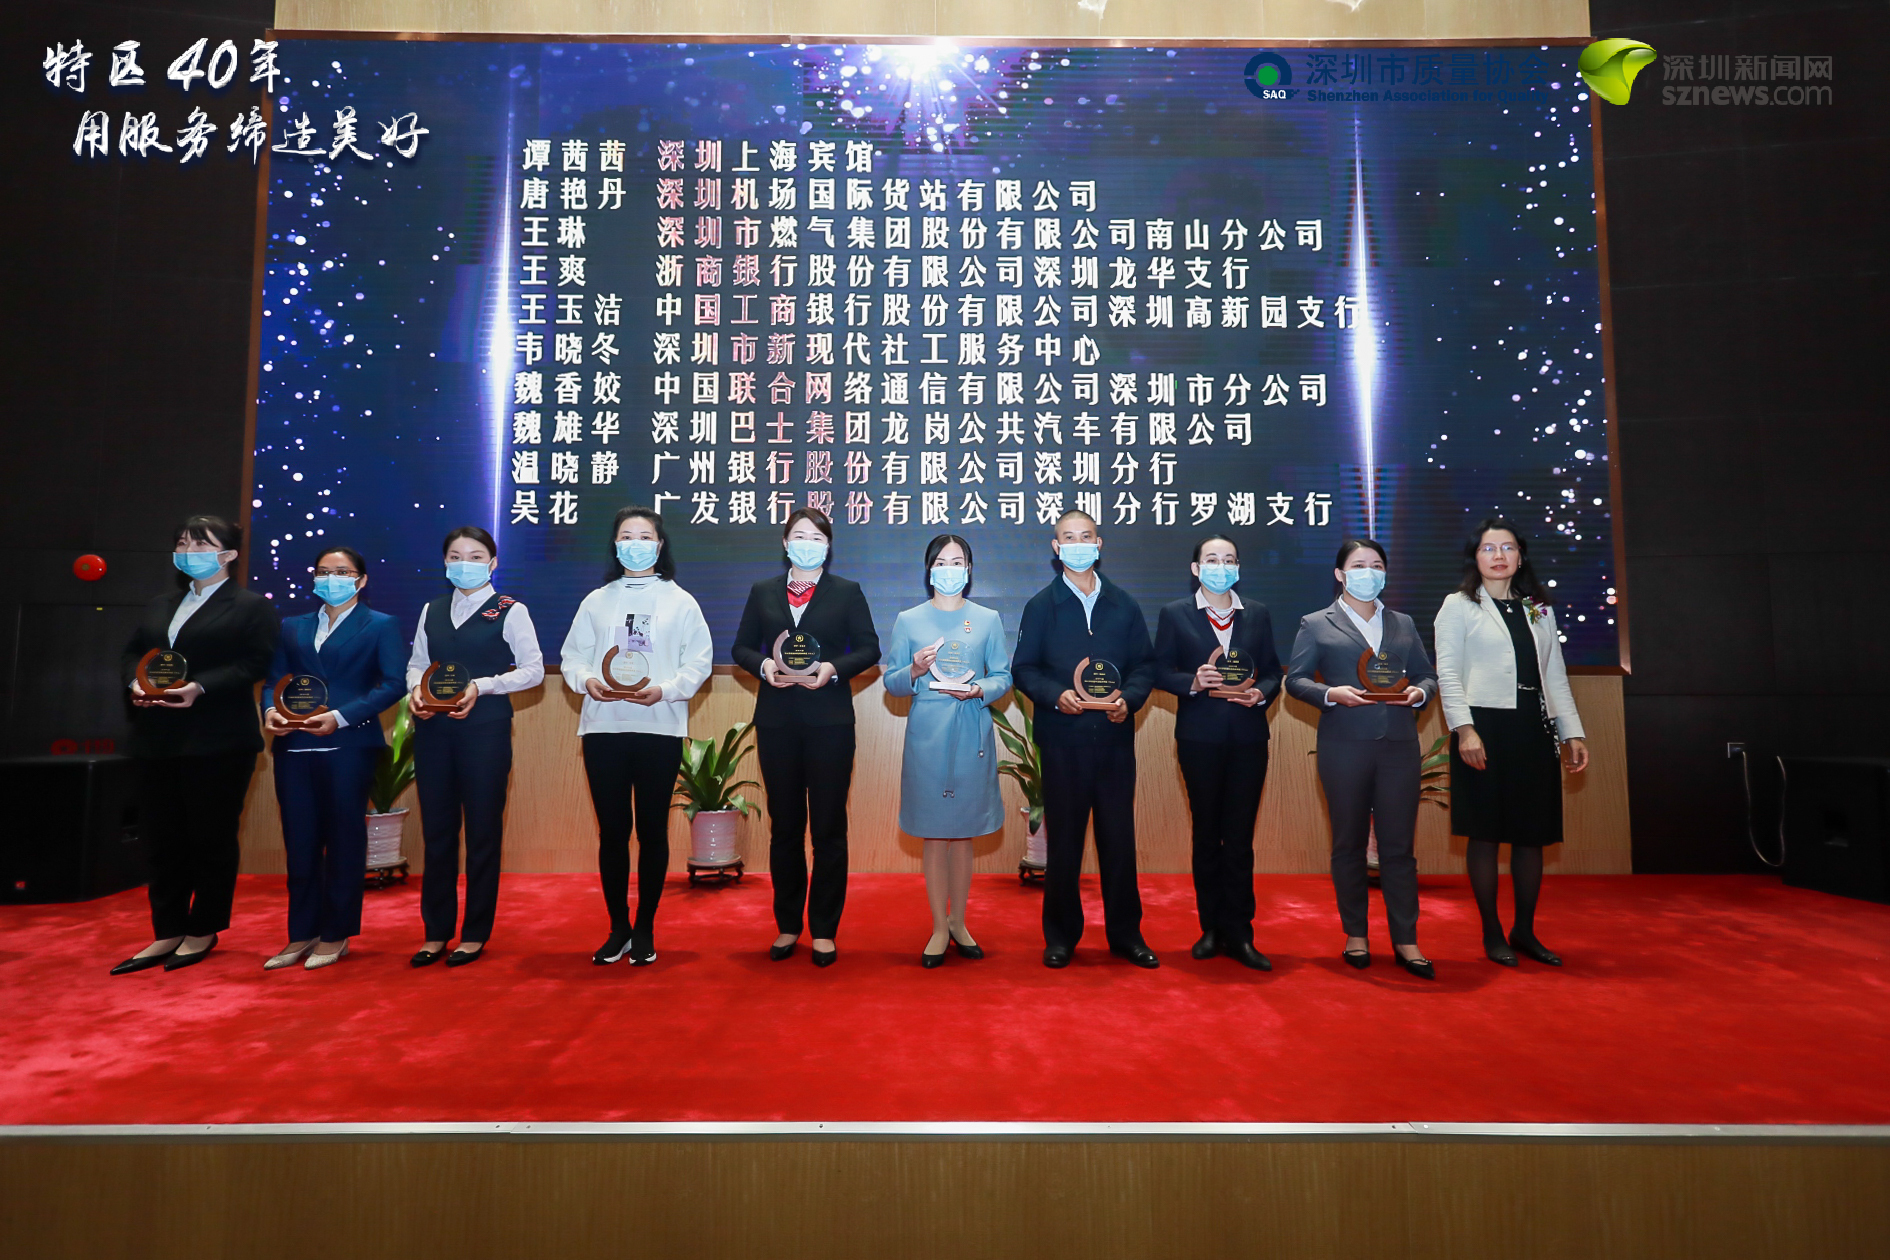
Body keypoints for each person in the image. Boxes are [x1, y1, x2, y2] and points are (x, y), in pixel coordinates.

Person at [111, 515, 279, 975]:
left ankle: (203, 928)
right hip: (156, 738)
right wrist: (134, 682)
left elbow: (257, 662)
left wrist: (200, 686)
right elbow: (132, 652)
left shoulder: (251, 606)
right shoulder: (160, 603)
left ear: (229, 554)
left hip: (217, 741)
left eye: (201, 544)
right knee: (161, 838)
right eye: (183, 543)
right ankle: (167, 930)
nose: (188, 552)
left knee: (210, 837)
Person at [559, 507, 713, 966]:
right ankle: (618, 928)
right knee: (612, 832)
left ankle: (645, 926)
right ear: (615, 545)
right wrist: (586, 680)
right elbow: (572, 657)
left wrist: (665, 690)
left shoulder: (681, 602)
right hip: (604, 728)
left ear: (660, 546)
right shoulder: (596, 601)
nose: (636, 544)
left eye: (645, 537)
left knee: (651, 831)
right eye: (627, 536)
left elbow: (699, 662)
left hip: (658, 728)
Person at [1434, 517, 1589, 967]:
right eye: (1488, 548)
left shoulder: (1538, 609)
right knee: (1485, 833)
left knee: (1530, 834)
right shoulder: (1459, 606)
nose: (1498, 556)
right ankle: (1491, 931)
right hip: (1483, 726)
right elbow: (1448, 673)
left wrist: (1572, 731)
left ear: (1521, 556)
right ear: (1475, 557)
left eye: (1507, 547)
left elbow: (1555, 675)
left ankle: (1524, 930)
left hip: (1532, 726)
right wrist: (1464, 730)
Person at [730, 507, 880, 967]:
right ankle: (788, 924)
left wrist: (834, 668)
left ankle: (825, 929)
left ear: (828, 546)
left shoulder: (847, 592)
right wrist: (764, 666)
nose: (807, 543)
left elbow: (870, 649)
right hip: (777, 722)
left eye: (817, 537)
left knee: (829, 828)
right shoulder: (763, 591)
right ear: (785, 543)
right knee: (786, 827)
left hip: (830, 723)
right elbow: (741, 647)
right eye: (799, 535)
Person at [1285, 538, 1440, 979]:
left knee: (1398, 848)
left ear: (1385, 574)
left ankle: (1406, 940)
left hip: (1398, 745)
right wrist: (1330, 693)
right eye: (1358, 566)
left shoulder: (1402, 623)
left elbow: (1427, 675)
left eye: (1376, 565)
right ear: (1340, 574)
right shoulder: (1316, 623)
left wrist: (1419, 693)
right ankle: (1356, 934)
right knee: (1349, 844)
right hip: (1344, 745)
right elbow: (1295, 680)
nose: (1367, 573)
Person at [1012, 509, 1160, 970]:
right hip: (1062, 742)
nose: (1078, 544)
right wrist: (1055, 696)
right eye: (1068, 538)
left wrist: (1129, 700)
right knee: (1065, 844)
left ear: (1099, 543)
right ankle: (1060, 937)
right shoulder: (1041, 606)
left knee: (1119, 841)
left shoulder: (1124, 604)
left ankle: (1126, 935)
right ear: (1056, 548)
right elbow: (1024, 669)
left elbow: (1144, 666)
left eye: (1086, 536)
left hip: (1114, 740)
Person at [260, 547, 407, 971]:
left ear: (361, 580)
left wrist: (341, 717)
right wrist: (270, 712)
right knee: (300, 839)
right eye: (323, 571)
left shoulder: (380, 624)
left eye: (342, 572)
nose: (331, 578)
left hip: (349, 744)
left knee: (343, 839)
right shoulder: (293, 626)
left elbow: (393, 683)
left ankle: (335, 934)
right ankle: (301, 933)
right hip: (294, 745)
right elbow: (274, 681)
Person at [405, 525, 544, 968]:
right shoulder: (432, 609)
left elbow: (533, 670)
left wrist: (482, 686)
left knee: (483, 833)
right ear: (445, 563)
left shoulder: (510, 610)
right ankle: (436, 931)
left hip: (485, 732)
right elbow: (417, 664)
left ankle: (475, 933)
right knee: (437, 833)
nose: (464, 564)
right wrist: (415, 691)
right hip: (433, 732)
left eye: (475, 556)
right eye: (455, 556)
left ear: (493, 563)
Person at [881, 535, 1013, 967]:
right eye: (941, 561)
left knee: (964, 831)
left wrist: (978, 689)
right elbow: (892, 682)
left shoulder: (987, 619)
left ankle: (960, 922)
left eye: (958, 562)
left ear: (969, 570)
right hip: (928, 735)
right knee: (935, 833)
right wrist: (915, 669)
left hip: (971, 729)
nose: (949, 569)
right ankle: (940, 926)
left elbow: (1003, 676)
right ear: (929, 569)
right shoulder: (909, 620)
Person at [1153, 535, 1282, 971]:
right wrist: (1192, 681)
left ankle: (1241, 933)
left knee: (1240, 839)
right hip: (1199, 738)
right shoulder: (1175, 613)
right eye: (1212, 559)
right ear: (1196, 568)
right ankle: (1210, 928)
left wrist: (1261, 694)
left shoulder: (1257, 613)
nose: (1220, 566)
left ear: (1238, 568)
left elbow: (1272, 671)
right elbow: (1159, 671)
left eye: (1229, 559)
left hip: (1248, 738)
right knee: (1207, 835)